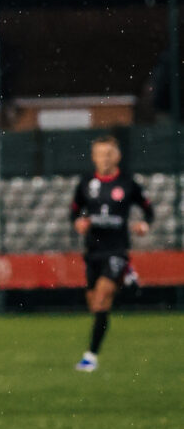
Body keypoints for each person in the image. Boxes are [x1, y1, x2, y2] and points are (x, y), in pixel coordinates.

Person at [71, 134, 152, 372]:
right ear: (93, 157)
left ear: (117, 156)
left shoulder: (128, 183)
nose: (104, 158)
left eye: (109, 153)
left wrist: (144, 225)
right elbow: (74, 211)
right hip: (93, 250)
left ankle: (90, 356)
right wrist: (78, 222)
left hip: (117, 249)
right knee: (95, 304)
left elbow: (148, 210)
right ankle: (127, 275)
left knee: (102, 298)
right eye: (100, 154)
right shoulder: (85, 183)